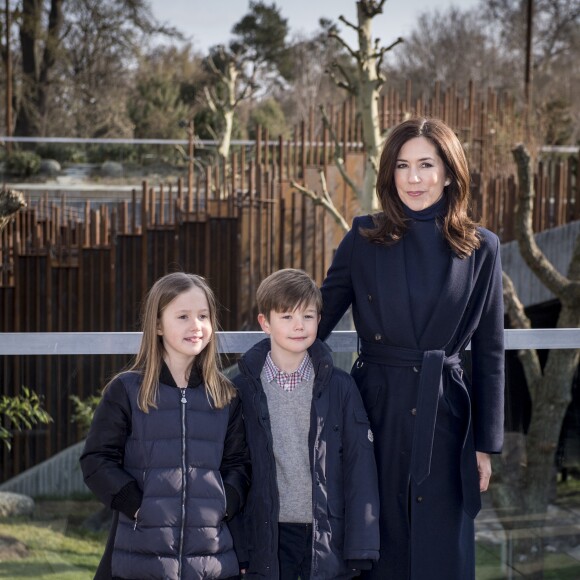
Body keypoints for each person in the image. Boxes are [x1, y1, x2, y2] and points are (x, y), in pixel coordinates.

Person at [317, 117, 505, 580]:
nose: (414, 178)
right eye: (402, 165)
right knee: (374, 546)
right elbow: (313, 321)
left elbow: (490, 353)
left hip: (449, 420)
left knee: (442, 550)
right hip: (373, 415)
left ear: (449, 172)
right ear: (389, 173)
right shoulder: (363, 237)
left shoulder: (483, 248)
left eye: (426, 164)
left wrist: (485, 445)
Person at [80, 272, 251, 580]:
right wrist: (137, 505)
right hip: (141, 558)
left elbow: (238, 464)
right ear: (157, 325)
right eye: (182, 316)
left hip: (210, 563)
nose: (195, 326)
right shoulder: (128, 391)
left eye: (203, 316)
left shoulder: (225, 396)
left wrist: (223, 504)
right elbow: (96, 460)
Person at [230, 268, 380, 579]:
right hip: (268, 536)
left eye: (308, 316)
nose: (299, 326)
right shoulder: (241, 390)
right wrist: (239, 546)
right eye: (286, 317)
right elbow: (232, 470)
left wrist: (361, 547)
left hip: (326, 535)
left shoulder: (340, 388)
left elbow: (359, 467)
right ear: (265, 322)